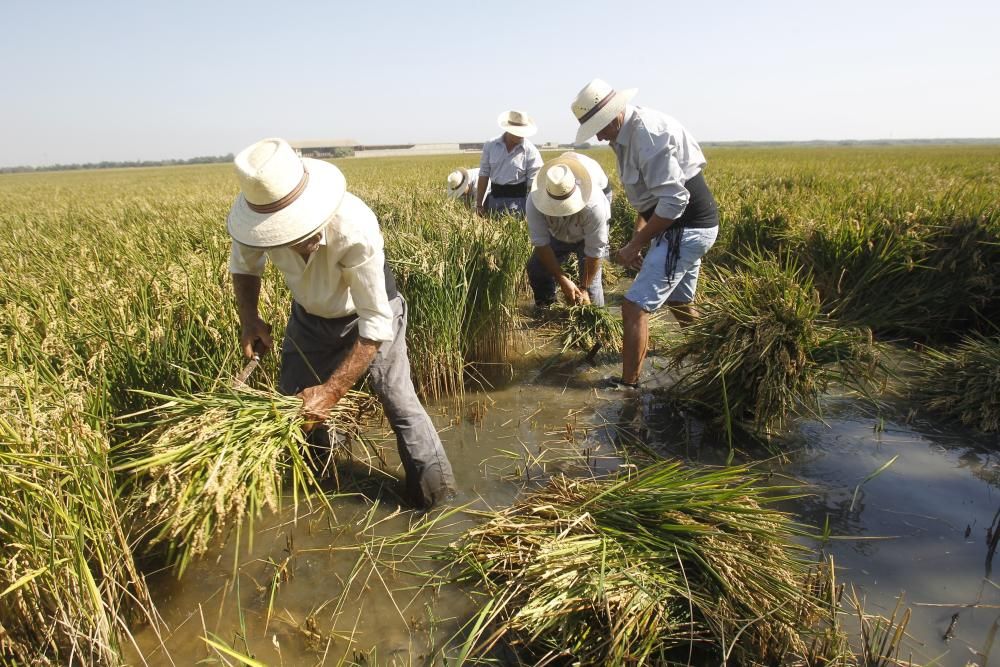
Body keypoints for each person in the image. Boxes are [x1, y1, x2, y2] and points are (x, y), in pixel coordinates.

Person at [226, 137, 456, 508]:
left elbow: (377, 323)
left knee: (399, 403)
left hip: (370, 314)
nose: (310, 238)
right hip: (309, 317)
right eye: (296, 234)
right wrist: (249, 318)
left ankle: (438, 498)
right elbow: (245, 265)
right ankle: (320, 479)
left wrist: (332, 393)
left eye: (309, 226)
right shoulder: (257, 222)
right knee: (293, 402)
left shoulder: (354, 225)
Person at [570, 79, 720, 389]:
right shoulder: (626, 134)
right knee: (679, 301)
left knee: (633, 306)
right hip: (679, 228)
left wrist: (637, 242)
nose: (598, 136)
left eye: (599, 127)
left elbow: (675, 200)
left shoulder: (647, 135)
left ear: (613, 114)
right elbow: (649, 198)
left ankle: (629, 387)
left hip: (686, 228)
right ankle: (714, 354)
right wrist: (640, 236)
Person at [525, 152, 611, 308]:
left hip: (587, 233)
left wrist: (583, 287)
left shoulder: (594, 206)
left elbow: (594, 252)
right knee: (536, 268)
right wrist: (562, 279)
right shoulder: (534, 201)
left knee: (592, 287)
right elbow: (542, 244)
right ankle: (547, 308)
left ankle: (595, 328)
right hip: (557, 234)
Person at [476, 110, 543, 218]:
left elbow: (534, 185)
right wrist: (479, 204)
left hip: (518, 204)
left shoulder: (531, 151)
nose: (521, 135)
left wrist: (533, 213)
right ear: (508, 130)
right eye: (518, 132)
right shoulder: (491, 145)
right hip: (493, 201)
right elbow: (484, 174)